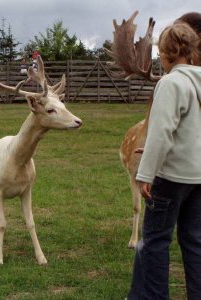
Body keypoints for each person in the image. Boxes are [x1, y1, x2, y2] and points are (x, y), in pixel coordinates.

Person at [127, 21, 201, 300]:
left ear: (166, 54)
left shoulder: (170, 83)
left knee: (156, 242)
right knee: (194, 242)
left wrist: (146, 174)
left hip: (171, 179)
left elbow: (161, 134)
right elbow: (190, 131)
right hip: (198, 178)